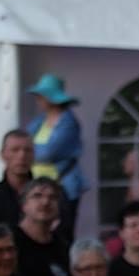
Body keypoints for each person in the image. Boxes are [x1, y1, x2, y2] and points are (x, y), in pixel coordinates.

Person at [26, 74, 87, 233]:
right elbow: (25, 142)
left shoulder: (68, 123)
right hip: (37, 186)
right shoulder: (40, 121)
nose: (38, 100)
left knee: (61, 231)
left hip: (62, 187)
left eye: (41, 96)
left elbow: (48, 153)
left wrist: (31, 151)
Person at [13, 177, 71, 276]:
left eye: (53, 197)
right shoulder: (10, 242)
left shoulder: (63, 247)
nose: (45, 202)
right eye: (37, 196)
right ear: (24, 205)